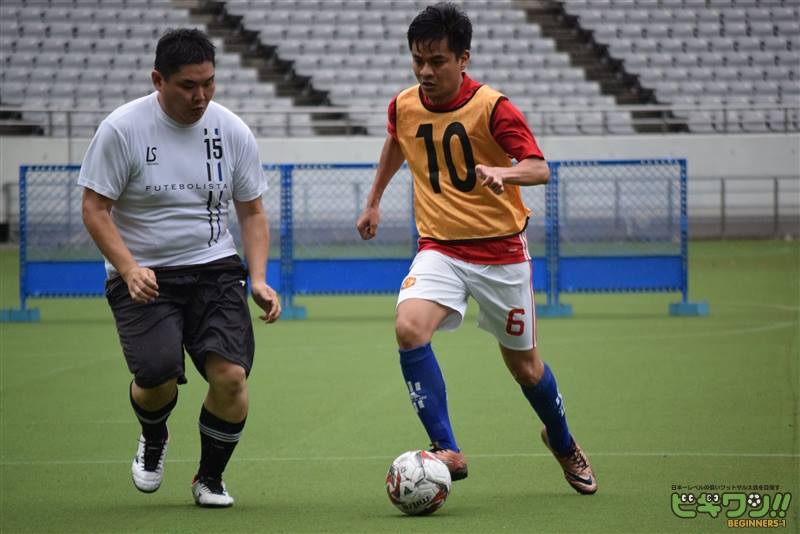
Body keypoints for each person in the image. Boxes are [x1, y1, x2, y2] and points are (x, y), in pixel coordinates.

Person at [356, 3, 596, 494]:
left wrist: (503, 172)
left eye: (437, 60)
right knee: (408, 327)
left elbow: (538, 166)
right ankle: (446, 447)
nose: (425, 71)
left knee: (525, 368)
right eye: (418, 60)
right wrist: (374, 200)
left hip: (502, 254)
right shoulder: (403, 104)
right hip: (440, 248)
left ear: (463, 58)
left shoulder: (492, 106)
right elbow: (397, 142)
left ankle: (564, 442)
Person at [79, 28, 281, 508]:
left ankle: (209, 478)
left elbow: (251, 211)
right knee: (157, 377)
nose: (201, 96)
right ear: (158, 80)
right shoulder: (122, 129)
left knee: (231, 378)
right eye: (189, 85)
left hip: (215, 268)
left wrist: (257, 277)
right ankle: (154, 435)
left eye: (209, 83)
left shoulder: (231, 129)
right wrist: (128, 268)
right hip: (145, 276)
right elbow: (94, 208)